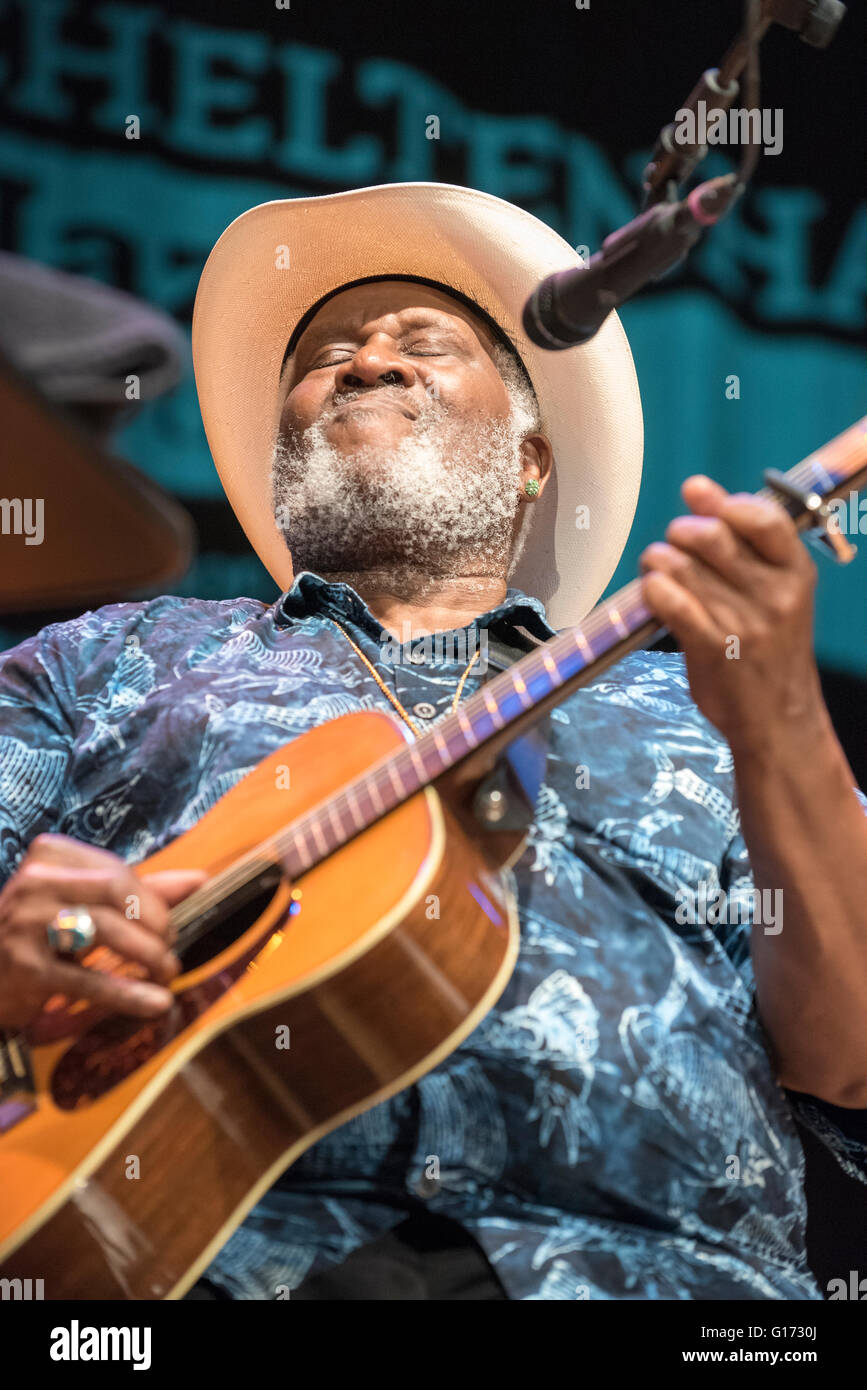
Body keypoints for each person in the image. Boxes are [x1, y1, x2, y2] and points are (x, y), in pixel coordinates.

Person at [1, 184, 865, 1301]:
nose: (366, 364)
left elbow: (849, 1060)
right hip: (194, 1256)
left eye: (422, 343)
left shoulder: (700, 711)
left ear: (531, 461)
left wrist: (784, 719)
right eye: (326, 355)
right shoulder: (105, 659)